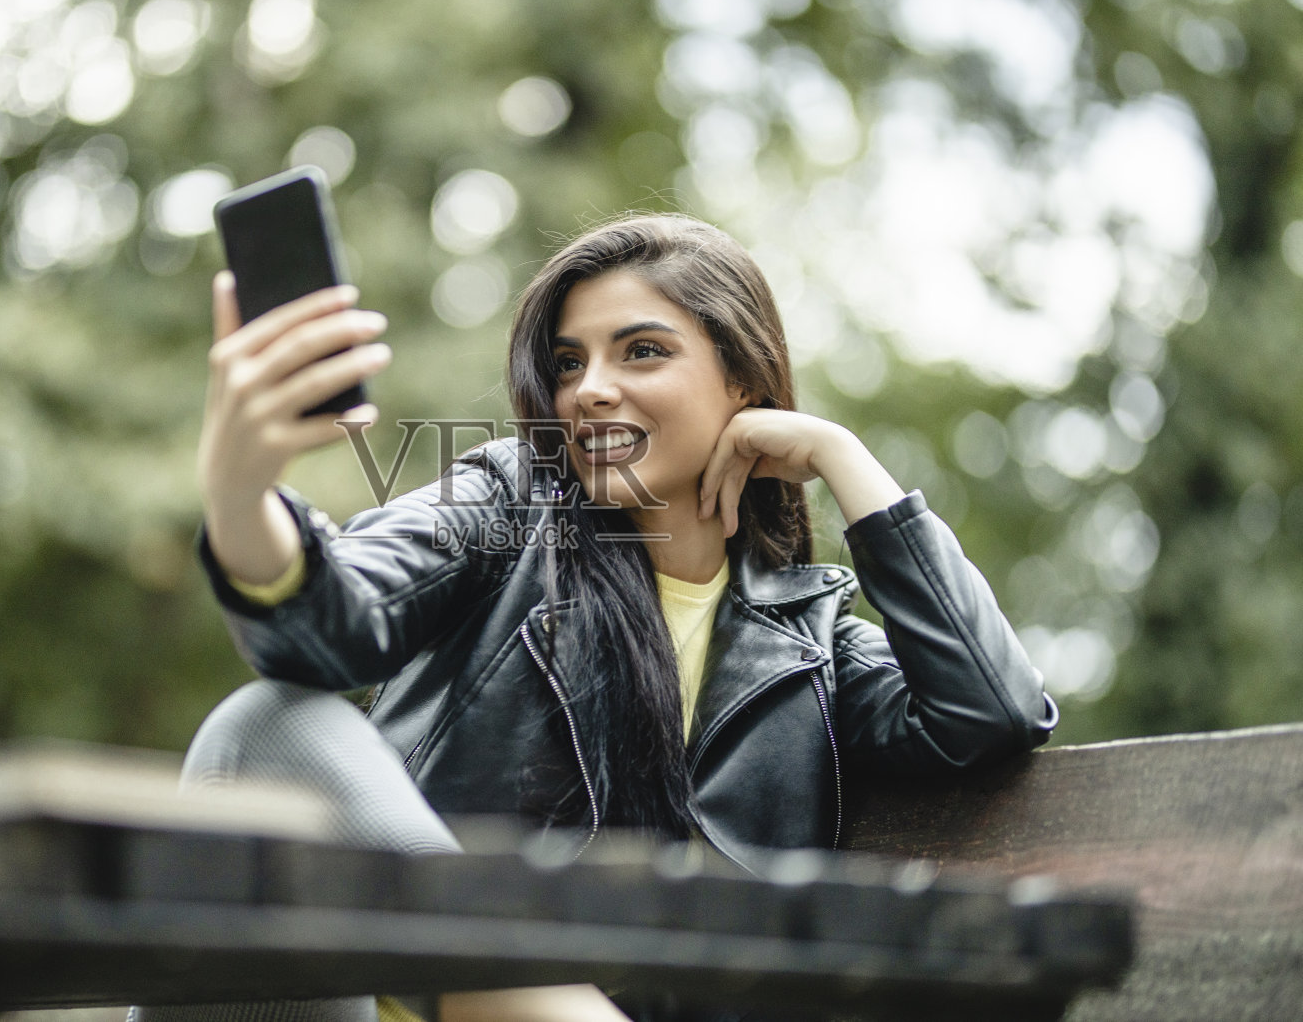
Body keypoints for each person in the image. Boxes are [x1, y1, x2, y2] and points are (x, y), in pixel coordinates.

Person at [147, 214, 1059, 1022]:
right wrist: (238, 490)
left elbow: (992, 713)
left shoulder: (813, 648)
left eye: (643, 351)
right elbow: (330, 621)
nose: (588, 389)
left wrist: (845, 458)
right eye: (569, 362)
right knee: (265, 726)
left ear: (744, 383)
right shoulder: (509, 502)